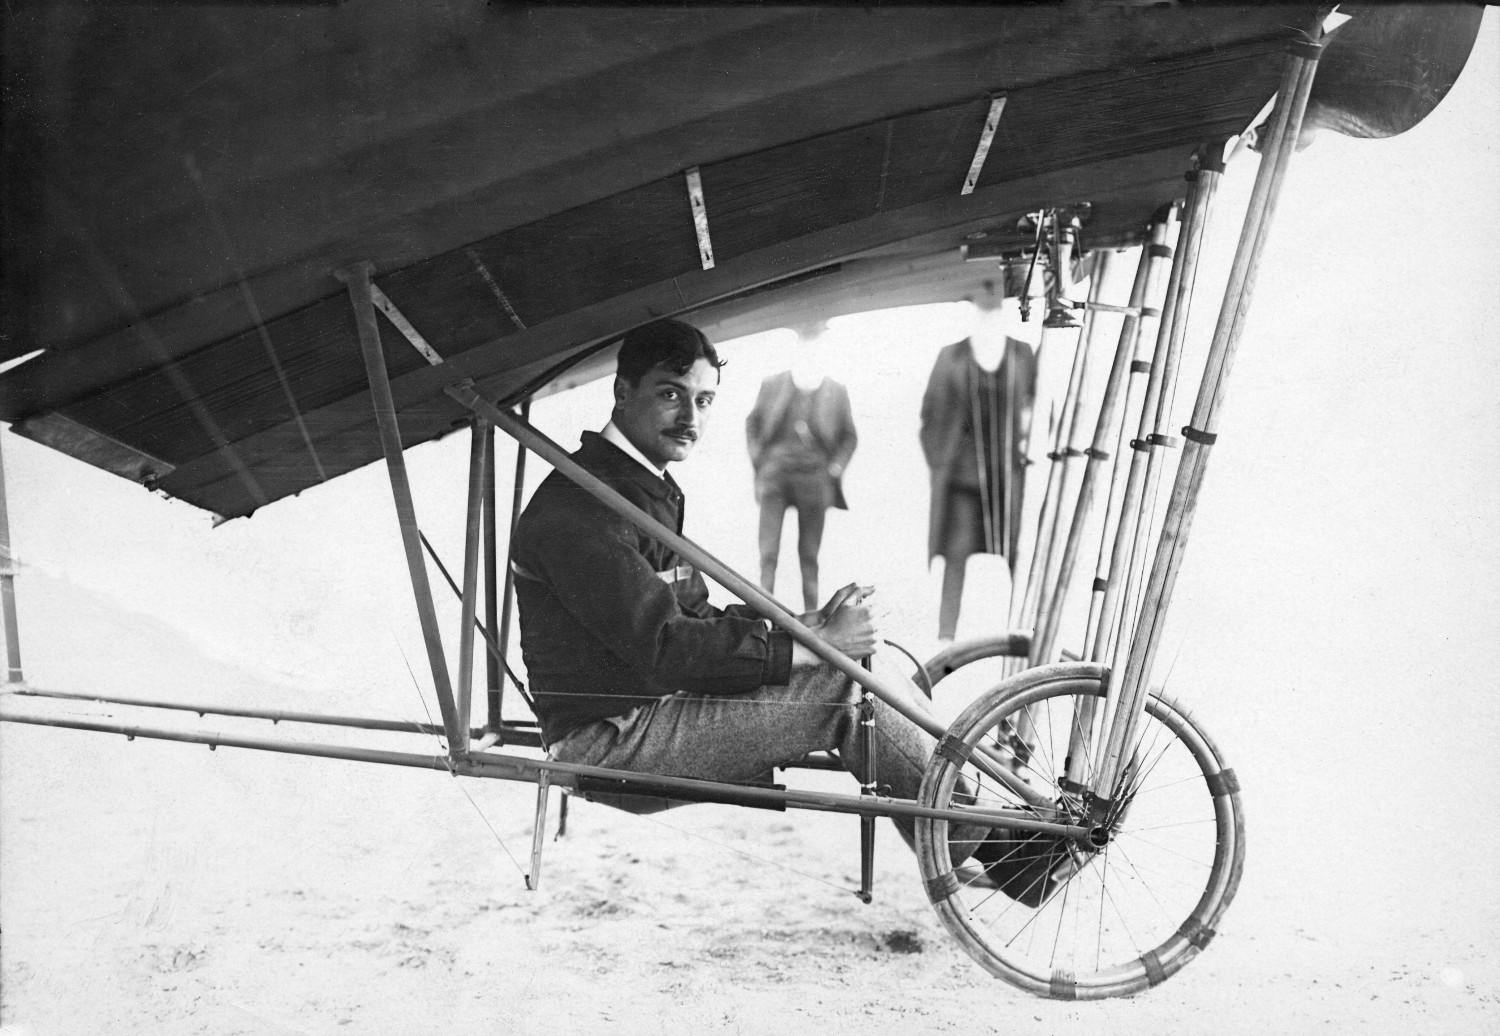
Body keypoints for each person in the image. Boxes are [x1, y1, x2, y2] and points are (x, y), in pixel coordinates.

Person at [510, 318, 1055, 897]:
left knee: (856, 664)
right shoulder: (584, 507)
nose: (690, 419)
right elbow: (668, 647)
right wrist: (811, 649)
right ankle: (1005, 855)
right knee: (844, 688)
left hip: (647, 709)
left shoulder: (635, 484)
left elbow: (693, 614)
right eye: (670, 395)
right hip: (608, 741)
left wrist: (809, 627)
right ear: (622, 392)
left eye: (704, 400)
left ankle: (968, 831)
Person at [920, 281, 1038, 641]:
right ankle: (944, 640)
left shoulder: (1021, 354)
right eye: (982, 309)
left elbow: (1036, 407)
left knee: (1017, 553)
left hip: (1007, 476)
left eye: (995, 308)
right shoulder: (951, 356)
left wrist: (1026, 444)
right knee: (956, 557)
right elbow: (929, 417)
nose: (988, 315)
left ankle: (1023, 632)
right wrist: (941, 461)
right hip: (961, 480)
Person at [744, 319, 858, 612]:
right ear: (797, 348)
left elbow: (849, 436)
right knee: (767, 554)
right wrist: (761, 461)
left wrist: (834, 468)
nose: (811, 351)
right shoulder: (773, 384)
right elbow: (753, 423)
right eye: (805, 345)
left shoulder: (836, 390)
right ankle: (762, 616)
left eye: (816, 346)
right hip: (775, 479)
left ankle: (813, 620)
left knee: (809, 556)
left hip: (814, 482)